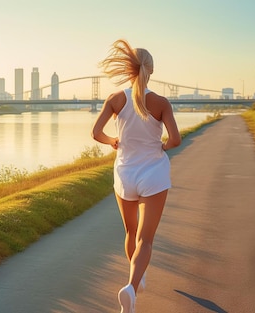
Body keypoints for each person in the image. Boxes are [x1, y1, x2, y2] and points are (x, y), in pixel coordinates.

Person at [91, 39, 181, 313]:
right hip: (153, 173)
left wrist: (113, 141)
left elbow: (96, 133)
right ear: (150, 70)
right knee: (146, 239)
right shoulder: (161, 102)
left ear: (130, 69)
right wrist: (161, 146)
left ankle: (136, 283)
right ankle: (131, 286)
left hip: (125, 174)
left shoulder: (116, 99)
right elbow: (175, 140)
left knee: (131, 232)